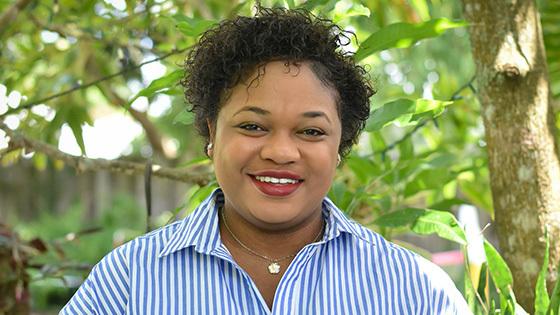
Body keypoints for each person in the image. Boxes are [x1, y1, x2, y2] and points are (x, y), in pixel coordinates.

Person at [61, 7, 472, 315]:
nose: (280, 152)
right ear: (211, 133)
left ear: (340, 145)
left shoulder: (414, 290)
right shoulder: (130, 280)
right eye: (253, 127)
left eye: (311, 131)